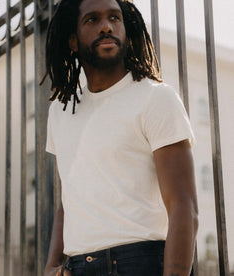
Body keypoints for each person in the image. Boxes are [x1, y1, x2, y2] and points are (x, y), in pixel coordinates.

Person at [43, 0, 198, 275]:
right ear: (73, 41)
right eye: (92, 20)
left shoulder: (156, 98)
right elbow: (68, 200)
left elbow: (183, 205)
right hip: (77, 266)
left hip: (139, 262)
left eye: (114, 18)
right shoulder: (61, 110)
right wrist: (51, 266)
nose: (106, 27)